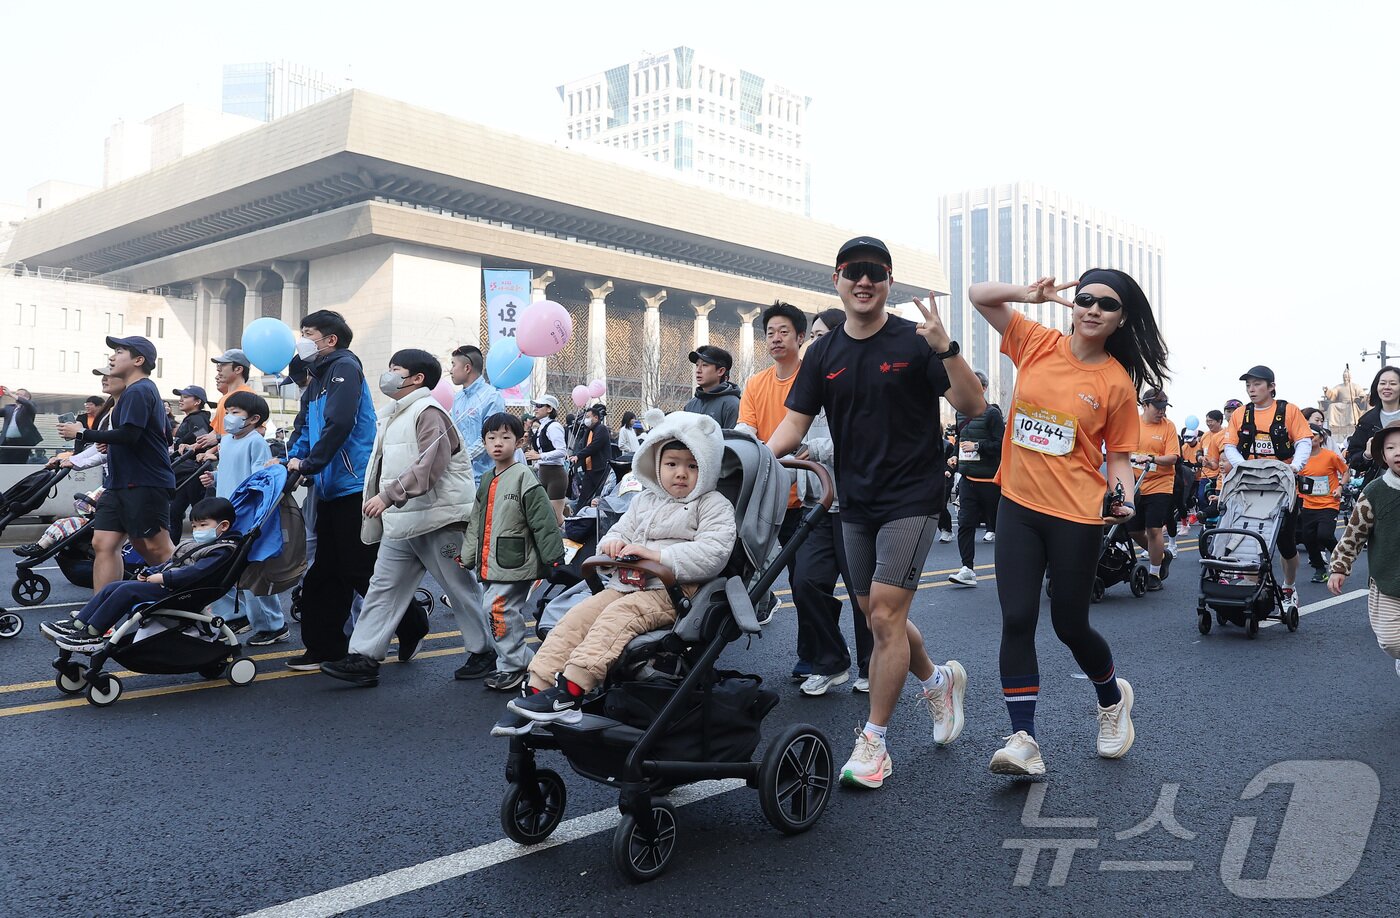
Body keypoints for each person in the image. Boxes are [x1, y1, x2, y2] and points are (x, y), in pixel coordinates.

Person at [768, 236, 987, 789]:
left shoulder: (915, 342)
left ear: (889, 282)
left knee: (886, 617)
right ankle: (938, 680)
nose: (864, 282)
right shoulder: (822, 352)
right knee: (874, 614)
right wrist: (750, 459)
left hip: (911, 496)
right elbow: (794, 424)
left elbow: (973, 405)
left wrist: (946, 347)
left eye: (876, 273)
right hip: (852, 499)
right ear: (837, 281)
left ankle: (875, 743)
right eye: (853, 272)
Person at [969, 269, 1167, 776]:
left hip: (1077, 512)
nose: (1093, 309)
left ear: (1121, 319)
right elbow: (978, 295)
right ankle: (1024, 740)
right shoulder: (1035, 340)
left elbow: (1119, 456)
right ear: (1073, 305)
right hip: (1017, 503)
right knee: (1016, 619)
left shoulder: (1117, 383)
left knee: (1070, 624)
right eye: (1085, 299)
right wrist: (1027, 294)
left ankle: (1110, 699)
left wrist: (1121, 494)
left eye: (1107, 304)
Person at [499, 412, 736, 731]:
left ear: (706, 469)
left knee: (616, 619)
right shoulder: (645, 500)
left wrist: (656, 554)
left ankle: (571, 692)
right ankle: (539, 686)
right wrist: (611, 545)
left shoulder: (713, 505)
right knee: (576, 618)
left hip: (672, 592)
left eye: (692, 466)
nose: (680, 473)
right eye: (671, 464)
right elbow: (619, 531)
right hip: (628, 584)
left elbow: (713, 552)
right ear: (656, 465)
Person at [320, 349, 495, 687]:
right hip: (402, 520)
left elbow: (429, 465)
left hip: (438, 519)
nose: (389, 375)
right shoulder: (395, 413)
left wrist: (387, 496)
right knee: (382, 587)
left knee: (459, 589)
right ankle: (364, 657)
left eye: (396, 369)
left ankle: (484, 650)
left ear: (417, 379)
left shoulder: (428, 412)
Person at [283, 310, 381, 671]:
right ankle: (325, 648)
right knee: (325, 572)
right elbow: (304, 428)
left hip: (353, 486)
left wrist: (311, 464)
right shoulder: (318, 377)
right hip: (327, 486)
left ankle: (411, 622)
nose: (302, 339)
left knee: (357, 569)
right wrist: (294, 460)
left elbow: (340, 423)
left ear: (330, 340)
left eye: (308, 333)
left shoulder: (345, 369)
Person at [793, 307, 873, 694]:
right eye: (813, 336)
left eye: (821, 335)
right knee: (806, 581)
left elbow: (866, 437)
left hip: (857, 506)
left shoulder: (860, 378)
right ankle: (830, 660)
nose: (814, 342)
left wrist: (815, 448)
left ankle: (872, 667)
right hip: (818, 505)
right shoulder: (812, 381)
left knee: (865, 594)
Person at [41, 497, 239, 652]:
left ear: (223, 526)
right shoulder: (197, 545)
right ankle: (78, 624)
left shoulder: (221, 550)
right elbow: (171, 563)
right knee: (113, 586)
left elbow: (197, 573)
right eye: (194, 526)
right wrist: (149, 572)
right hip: (172, 586)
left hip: (184, 592)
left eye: (203, 525)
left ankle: (93, 633)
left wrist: (163, 578)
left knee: (126, 591)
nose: (197, 530)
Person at [57, 336, 176, 590]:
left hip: (144, 482)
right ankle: (101, 615)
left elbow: (129, 435)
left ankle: (198, 605)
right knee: (103, 543)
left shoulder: (140, 390)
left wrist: (82, 433)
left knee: (154, 548)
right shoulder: (132, 394)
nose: (111, 357)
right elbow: (158, 434)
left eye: (119, 351)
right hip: (120, 483)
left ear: (138, 360)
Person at [461, 412, 565, 692]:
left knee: (496, 608)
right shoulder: (486, 479)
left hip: (517, 561)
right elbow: (476, 520)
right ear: (484, 442)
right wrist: (468, 555)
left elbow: (543, 519)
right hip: (493, 561)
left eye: (506, 437)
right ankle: (524, 663)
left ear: (519, 442)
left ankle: (516, 665)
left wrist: (553, 556)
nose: (498, 443)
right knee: (499, 610)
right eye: (491, 438)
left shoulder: (524, 477)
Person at [198, 390, 288, 645]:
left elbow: (258, 479)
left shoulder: (255, 442)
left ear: (253, 419)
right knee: (224, 567)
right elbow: (230, 472)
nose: (229, 417)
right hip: (224, 515)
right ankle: (234, 617)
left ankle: (273, 625)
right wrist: (213, 478)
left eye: (235, 413)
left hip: (245, 516)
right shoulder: (226, 441)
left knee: (252, 571)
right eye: (228, 412)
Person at [1222, 365, 1313, 610]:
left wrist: (1295, 466)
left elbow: (1304, 441)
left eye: (1257, 384)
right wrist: (1242, 466)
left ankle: (1289, 585)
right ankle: (1253, 585)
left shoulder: (1289, 411)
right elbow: (1230, 445)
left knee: (1284, 542)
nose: (1252, 390)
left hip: (1281, 483)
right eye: (1248, 385)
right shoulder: (1241, 414)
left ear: (1271, 386)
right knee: (1248, 534)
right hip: (1250, 484)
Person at [1330, 419, 1400, 678]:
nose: (1398, 452)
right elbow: (1354, 533)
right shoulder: (1375, 491)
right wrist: (1340, 566)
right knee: (1392, 641)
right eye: (1391, 448)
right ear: (1383, 455)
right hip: (1388, 580)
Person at [949, 370, 1004, 586]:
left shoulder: (992, 414)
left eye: (976, 385)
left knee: (1002, 527)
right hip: (968, 480)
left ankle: (1012, 568)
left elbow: (1001, 445)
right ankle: (967, 569)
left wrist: (978, 446)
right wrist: (954, 458)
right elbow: (960, 441)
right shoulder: (960, 413)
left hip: (991, 482)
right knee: (965, 524)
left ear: (983, 388)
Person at [1127, 387, 1180, 591]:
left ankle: (1154, 573)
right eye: (1157, 408)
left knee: (1154, 529)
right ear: (1145, 405)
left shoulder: (1168, 427)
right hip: (1135, 483)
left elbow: (1173, 457)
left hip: (1161, 483)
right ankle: (1162, 555)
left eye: (1164, 408)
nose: (1161, 412)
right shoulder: (1132, 424)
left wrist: (1151, 458)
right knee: (1133, 530)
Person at [1298, 422, 1349, 582]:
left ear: (1321, 438)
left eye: (1313, 435)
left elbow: (1345, 471)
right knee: (1308, 538)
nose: (1310, 438)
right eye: (1306, 436)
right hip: (1308, 505)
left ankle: (1341, 558)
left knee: (1324, 535)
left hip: (1329, 503)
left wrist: (1340, 487)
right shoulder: (1300, 458)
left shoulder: (1330, 456)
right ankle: (1320, 569)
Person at [448, 344, 505, 482]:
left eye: (453, 365)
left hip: (484, 477)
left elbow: (490, 437)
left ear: (467, 368)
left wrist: (461, 458)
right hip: (458, 475)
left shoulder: (492, 397)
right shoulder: (458, 397)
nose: (450, 371)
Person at [168, 385, 213, 535]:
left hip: (195, 472)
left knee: (200, 514)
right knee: (173, 512)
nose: (181, 400)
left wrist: (192, 446)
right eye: (181, 396)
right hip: (186, 474)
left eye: (186, 397)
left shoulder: (197, 418)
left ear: (197, 402)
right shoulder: (191, 419)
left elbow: (203, 436)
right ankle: (171, 554)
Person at [194, 349, 255, 452]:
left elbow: (259, 430)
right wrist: (194, 447)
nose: (218, 369)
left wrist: (219, 437)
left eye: (223, 365)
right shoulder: (223, 399)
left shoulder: (249, 395)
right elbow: (216, 432)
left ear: (238, 369)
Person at [1346, 365, 1400, 484]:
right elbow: (1353, 458)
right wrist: (1367, 455)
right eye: (1382, 383)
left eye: (1393, 383)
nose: (1387, 387)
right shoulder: (1367, 421)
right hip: (1379, 488)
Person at [12, 488, 102, 557]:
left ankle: (41, 546)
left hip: (99, 521)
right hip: (94, 518)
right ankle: (39, 545)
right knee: (61, 522)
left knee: (67, 524)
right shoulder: (107, 486)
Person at [526, 395, 570, 525]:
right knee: (544, 514)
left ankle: (568, 539)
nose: (535, 409)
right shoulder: (541, 427)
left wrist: (540, 456)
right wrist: (537, 463)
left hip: (555, 474)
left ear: (549, 409)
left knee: (556, 519)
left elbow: (562, 451)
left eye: (539, 406)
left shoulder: (554, 426)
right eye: (535, 406)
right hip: (544, 473)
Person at [683, 345, 742, 429]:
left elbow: (734, 440)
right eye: (697, 365)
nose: (698, 370)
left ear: (720, 371)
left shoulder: (732, 404)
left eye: (704, 365)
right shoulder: (691, 405)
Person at [570, 403, 612, 510]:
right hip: (589, 470)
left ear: (596, 417)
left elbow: (594, 446)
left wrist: (578, 456)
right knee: (584, 497)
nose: (586, 420)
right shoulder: (588, 431)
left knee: (599, 495)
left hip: (600, 469)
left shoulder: (601, 429)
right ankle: (578, 517)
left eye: (588, 417)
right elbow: (582, 445)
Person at [0, 386, 41, 464]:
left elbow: (27, 404)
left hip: (22, 443)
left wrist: (10, 394)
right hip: (7, 442)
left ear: (27, 397)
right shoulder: (9, 408)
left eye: (20, 395)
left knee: (18, 464)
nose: (16, 396)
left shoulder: (29, 407)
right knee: (3, 464)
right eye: (16, 394)